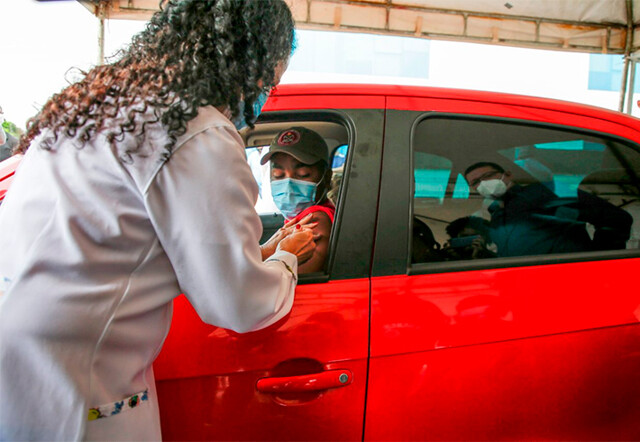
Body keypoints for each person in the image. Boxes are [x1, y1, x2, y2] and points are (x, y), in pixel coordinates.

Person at [0, 1, 314, 440]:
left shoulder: (99, 106)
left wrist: (257, 252)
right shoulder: (197, 131)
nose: (263, 94)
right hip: (81, 384)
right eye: (269, 80)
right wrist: (285, 260)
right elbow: (238, 303)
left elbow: (126, 242)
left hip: (24, 359)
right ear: (245, 62)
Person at [464, 161, 632, 257]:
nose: (483, 183)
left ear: (507, 175)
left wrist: (597, 258)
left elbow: (616, 218)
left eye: (488, 176)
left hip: (569, 283)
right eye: (475, 182)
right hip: (525, 288)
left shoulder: (547, 191)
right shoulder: (497, 216)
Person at [259, 127, 334, 273]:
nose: (288, 185)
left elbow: (288, 278)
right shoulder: (300, 218)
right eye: (278, 175)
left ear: (326, 177)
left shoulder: (315, 219)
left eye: (302, 174)